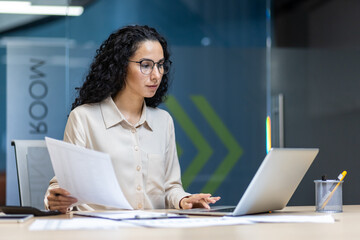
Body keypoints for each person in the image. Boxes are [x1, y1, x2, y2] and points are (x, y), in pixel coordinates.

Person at [44, 25, 220, 213]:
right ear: (121, 66)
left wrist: (183, 200)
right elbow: (62, 186)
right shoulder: (84, 118)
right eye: (145, 65)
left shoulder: (163, 121)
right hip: (99, 231)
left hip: (152, 230)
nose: (156, 75)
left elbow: (170, 187)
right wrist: (55, 198)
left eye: (160, 65)